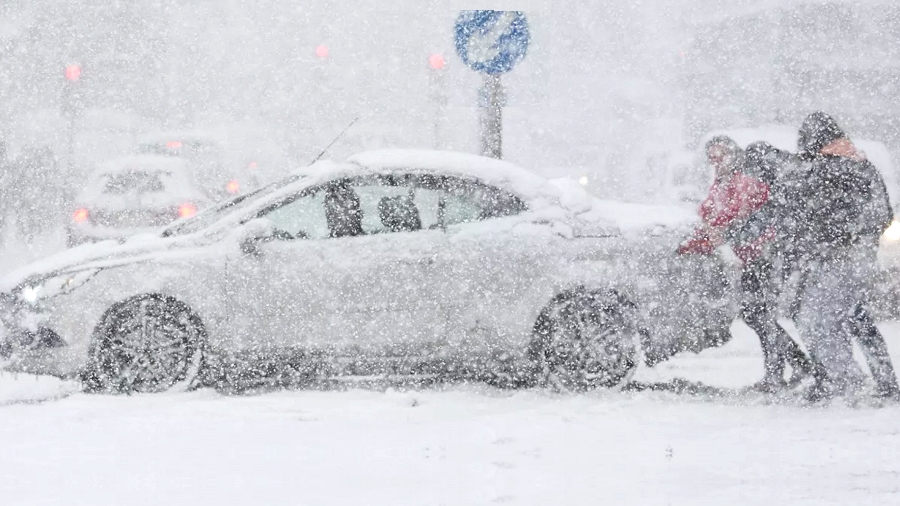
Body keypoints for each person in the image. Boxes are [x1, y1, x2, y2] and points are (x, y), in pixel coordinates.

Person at [678, 136, 813, 391]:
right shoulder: (724, 180)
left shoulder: (746, 179)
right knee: (755, 315)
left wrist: (722, 232)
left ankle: (778, 374)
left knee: (760, 314)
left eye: (722, 156)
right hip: (749, 255)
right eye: (713, 158)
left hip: (764, 255)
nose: (717, 162)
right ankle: (797, 365)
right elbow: (710, 212)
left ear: (733, 154)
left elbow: (744, 215)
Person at [783, 112, 898, 401]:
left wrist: (838, 236)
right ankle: (875, 381)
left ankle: (846, 380)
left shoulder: (835, 168)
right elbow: (879, 212)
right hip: (847, 256)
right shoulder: (854, 164)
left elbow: (816, 216)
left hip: (840, 258)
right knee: (852, 319)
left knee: (818, 319)